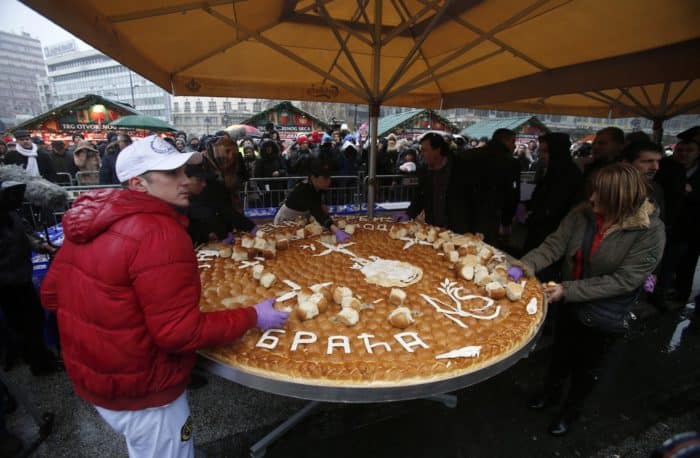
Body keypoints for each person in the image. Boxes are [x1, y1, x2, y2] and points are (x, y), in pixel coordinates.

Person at [40, 135, 289, 457]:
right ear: (137, 183)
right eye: (171, 174)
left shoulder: (90, 223)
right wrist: (253, 316)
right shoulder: (160, 233)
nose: (185, 180)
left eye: (184, 171)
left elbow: (50, 295)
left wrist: (114, 315)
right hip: (145, 389)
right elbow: (177, 332)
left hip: (96, 378)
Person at [519, 163, 664, 436]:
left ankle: (571, 411)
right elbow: (553, 246)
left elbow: (625, 279)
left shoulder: (650, 231)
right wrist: (519, 268)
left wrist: (567, 290)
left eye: (601, 195)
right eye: (593, 192)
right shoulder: (582, 214)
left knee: (588, 367)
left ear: (622, 199)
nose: (592, 199)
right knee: (561, 352)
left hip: (606, 311)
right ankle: (550, 393)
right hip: (569, 301)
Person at [0, 180, 61, 376]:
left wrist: (42, 246)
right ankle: (36, 361)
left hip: (22, 278)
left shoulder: (11, 214)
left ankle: (40, 357)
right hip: (7, 284)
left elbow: (27, 235)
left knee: (33, 320)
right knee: (20, 324)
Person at [524, 133, 584, 256]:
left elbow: (555, 208)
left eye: (545, 151)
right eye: (540, 151)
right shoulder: (547, 169)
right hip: (537, 233)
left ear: (558, 152)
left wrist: (532, 216)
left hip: (553, 240)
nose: (541, 156)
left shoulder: (569, 174)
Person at [401, 132, 470, 233]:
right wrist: (408, 214)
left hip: (457, 228)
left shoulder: (459, 167)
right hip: (433, 227)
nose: (421, 154)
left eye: (425, 150)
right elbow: (420, 196)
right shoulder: (424, 171)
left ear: (437, 150)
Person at [273, 157, 350, 242]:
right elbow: (318, 213)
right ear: (313, 177)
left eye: (329, 177)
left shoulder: (318, 188)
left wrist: (321, 206)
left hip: (299, 221)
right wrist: (336, 230)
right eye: (325, 178)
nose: (328, 181)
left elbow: (317, 207)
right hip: (285, 221)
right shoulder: (304, 189)